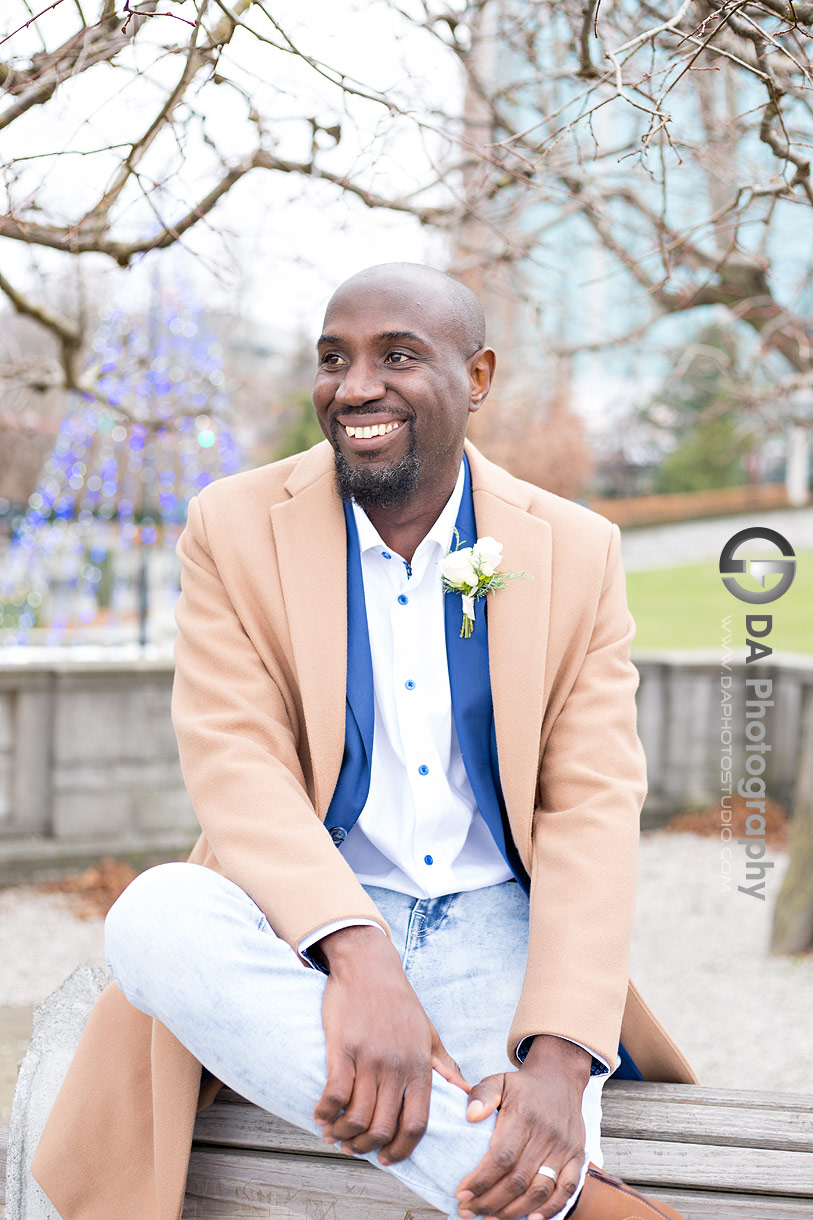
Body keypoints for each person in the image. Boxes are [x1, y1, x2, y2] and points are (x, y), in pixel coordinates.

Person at [31, 263, 696, 1220]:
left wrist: (558, 1060)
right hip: (305, 920)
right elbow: (235, 759)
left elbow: (591, 804)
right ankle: (584, 1209)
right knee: (153, 916)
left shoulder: (574, 547)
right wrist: (361, 957)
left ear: (476, 377)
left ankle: (536, 1179)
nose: (355, 387)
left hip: (497, 917)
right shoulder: (232, 524)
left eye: (397, 356)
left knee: (528, 1131)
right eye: (333, 359)